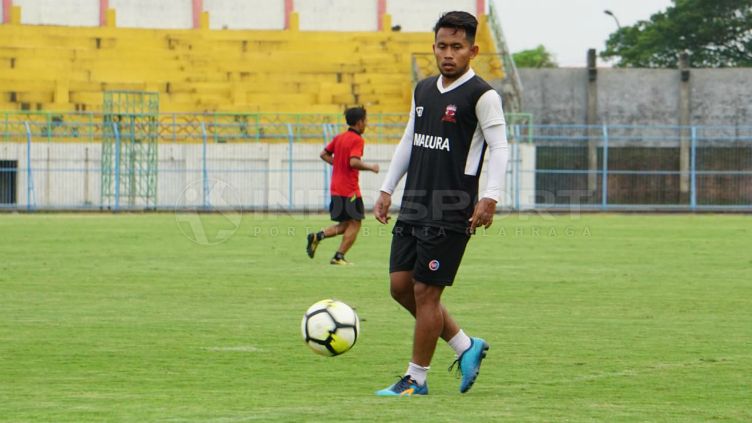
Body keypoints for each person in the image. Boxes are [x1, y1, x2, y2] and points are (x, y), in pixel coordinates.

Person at [372, 11, 509, 396]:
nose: (448, 54)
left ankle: (416, 379)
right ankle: (466, 345)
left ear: (473, 50)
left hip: (452, 208)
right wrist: (387, 188)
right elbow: (408, 141)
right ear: (434, 47)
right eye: (442, 46)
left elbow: (499, 147)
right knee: (400, 287)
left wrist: (490, 196)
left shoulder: (483, 95)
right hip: (415, 201)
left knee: (426, 293)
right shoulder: (424, 89)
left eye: (457, 47)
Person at [307, 107, 379, 265]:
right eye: (365, 120)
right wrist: (371, 167)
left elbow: (323, 154)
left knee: (346, 224)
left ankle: (317, 236)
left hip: (335, 188)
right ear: (359, 122)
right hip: (349, 189)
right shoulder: (357, 140)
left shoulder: (339, 137)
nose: (366, 124)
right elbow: (353, 161)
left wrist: (338, 164)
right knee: (356, 223)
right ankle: (338, 256)